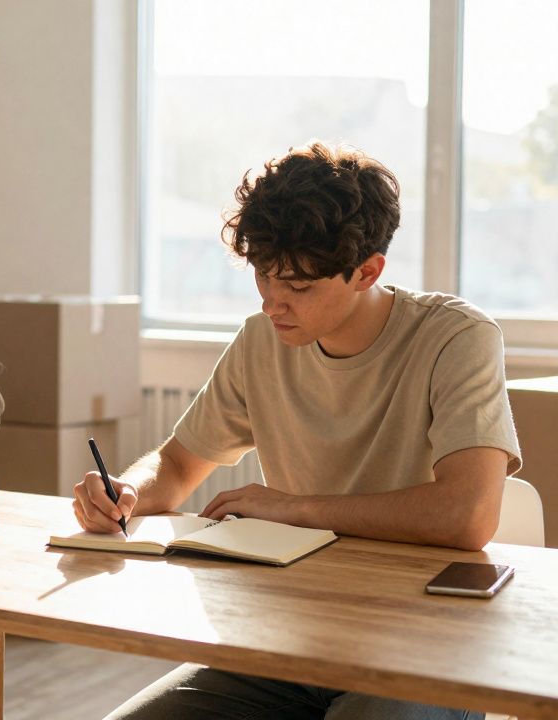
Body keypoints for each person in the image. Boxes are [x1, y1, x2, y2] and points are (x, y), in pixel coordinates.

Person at [72, 142, 521, 720]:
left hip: (424, 644)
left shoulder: (457, 338)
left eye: (299, 287)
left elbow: (469, 515)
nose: (272, 304)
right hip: (286, 639)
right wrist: (127, 490)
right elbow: (179, 464)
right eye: (263, 275)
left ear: (367, 272)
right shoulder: (260, 341)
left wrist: (297, 509)